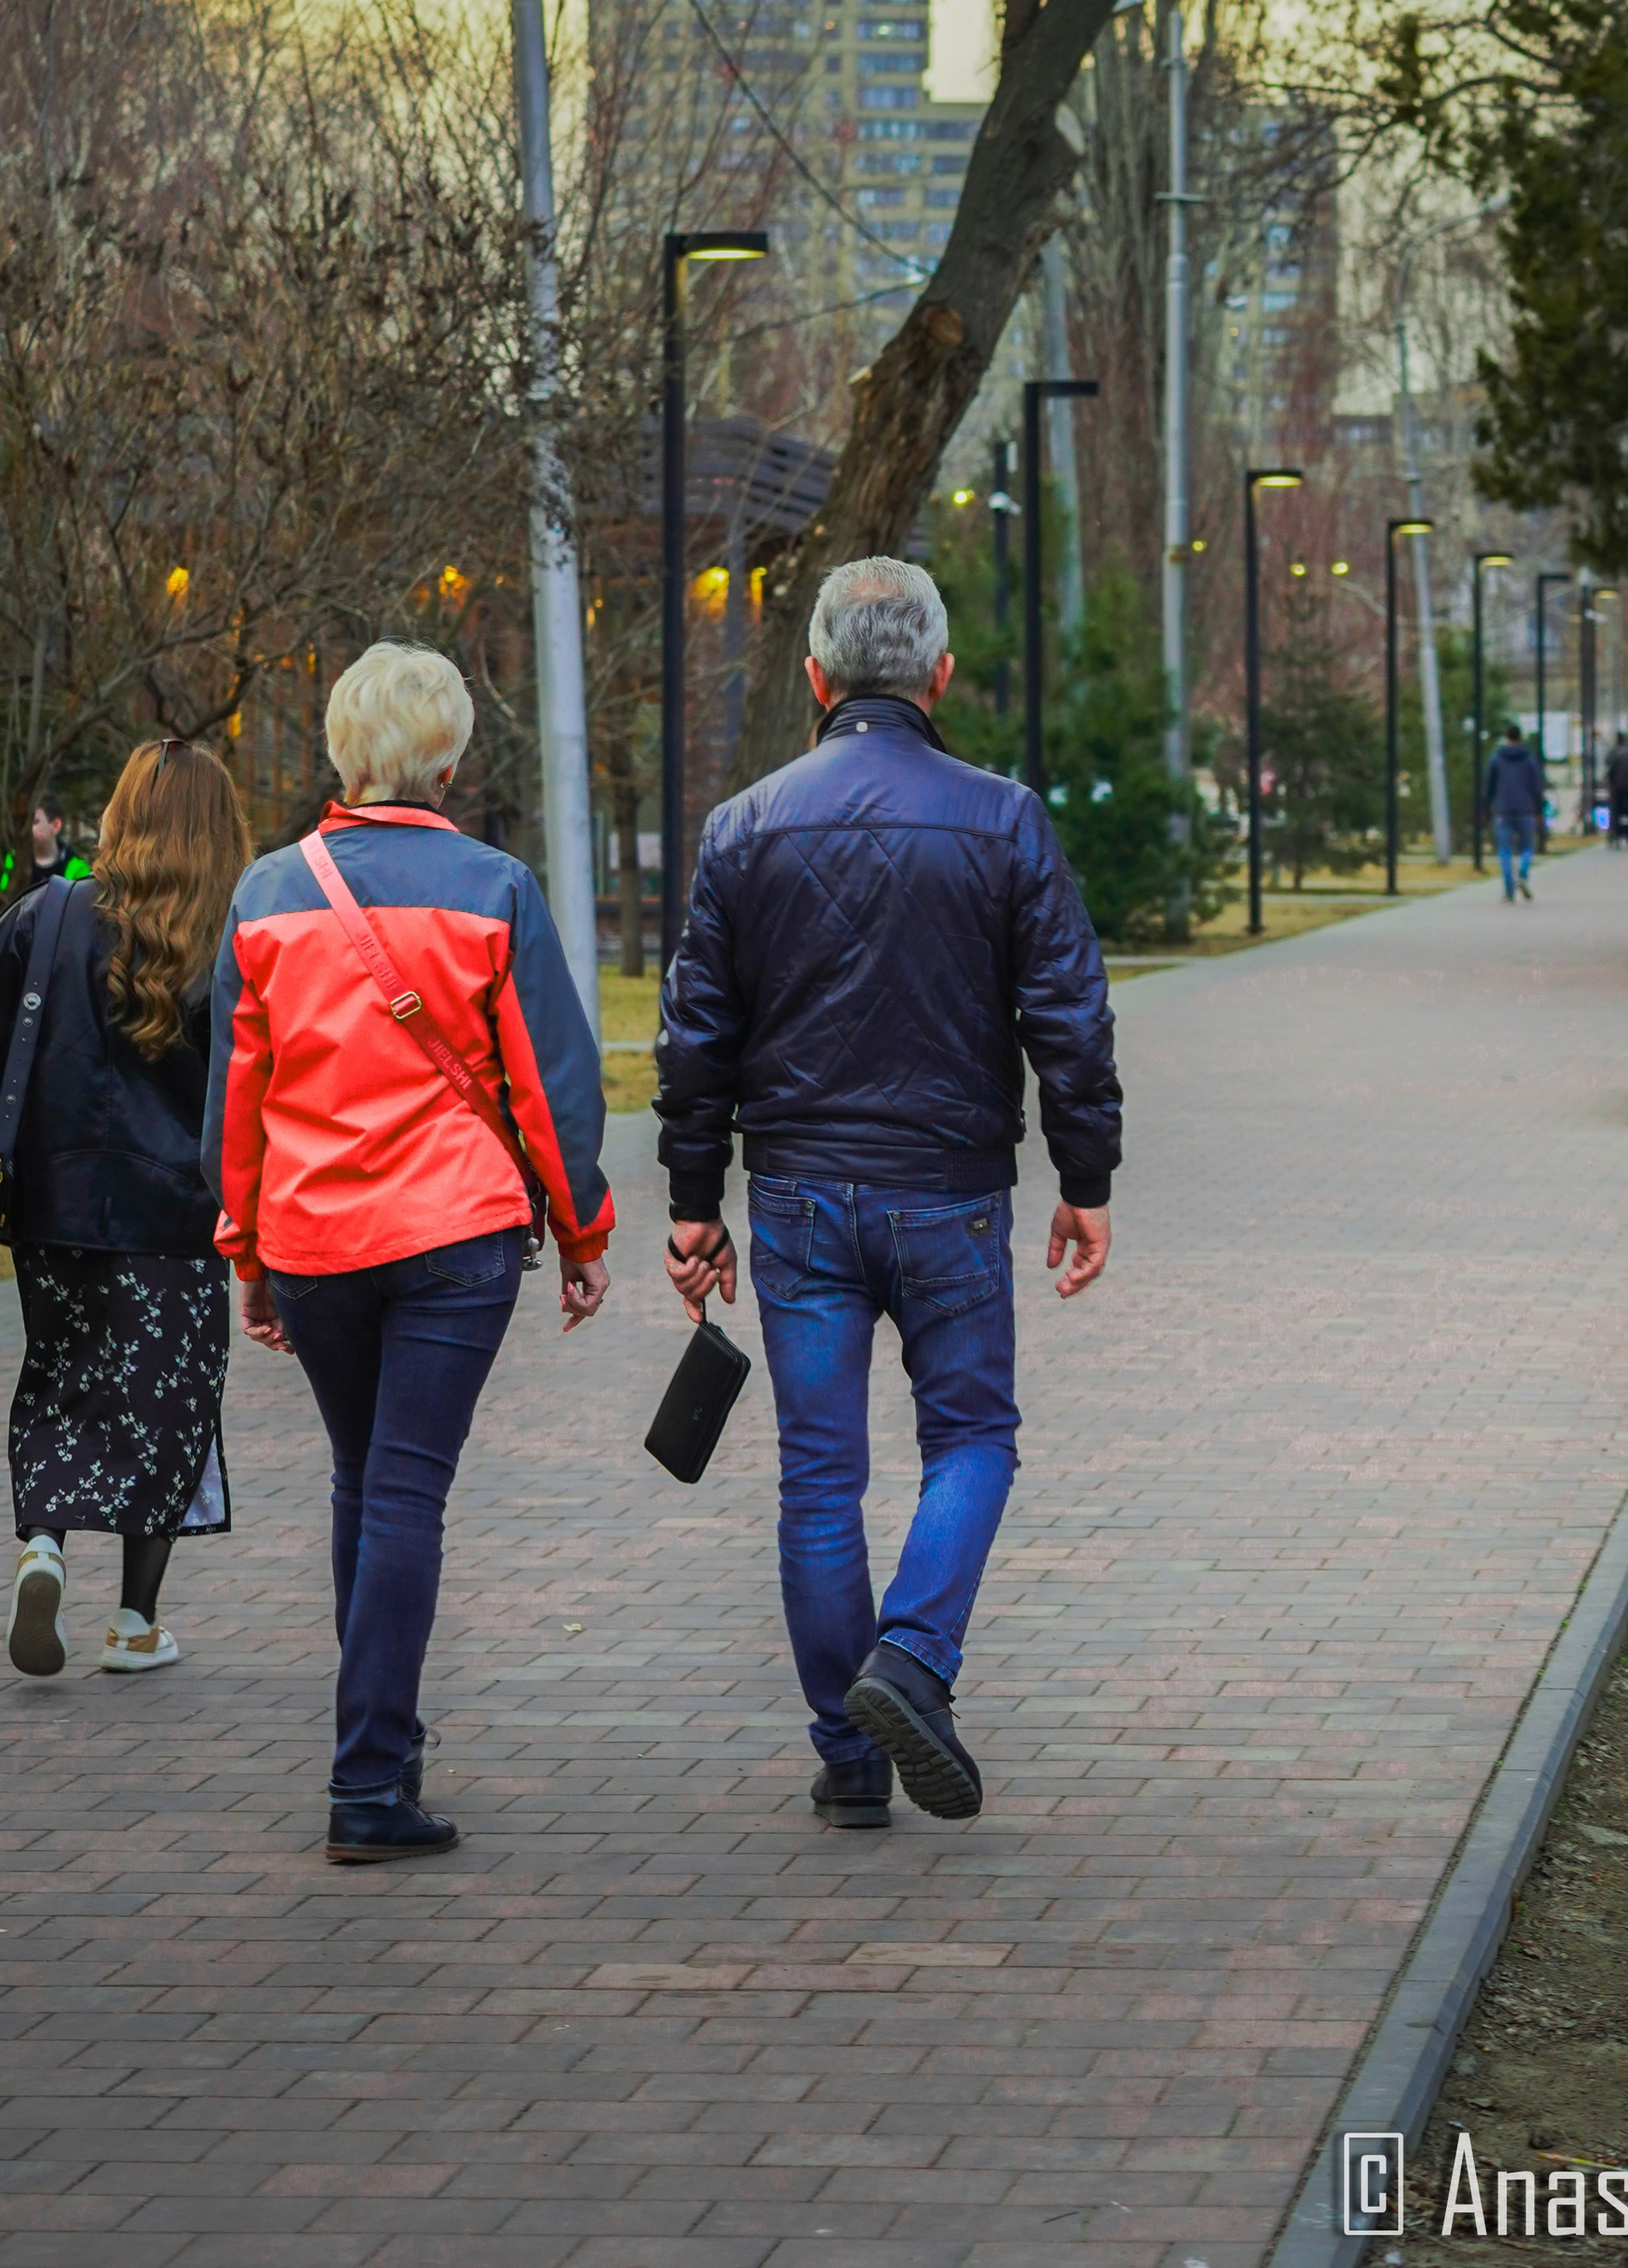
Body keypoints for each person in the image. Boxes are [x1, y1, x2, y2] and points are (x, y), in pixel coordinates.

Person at [657, 556, 1120, 1833]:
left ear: (813, 678)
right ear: (941, 676)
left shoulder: (744, 826)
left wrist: (696, 1198)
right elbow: (1069, 1015)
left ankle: (848, 1759)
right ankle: (911, 1660)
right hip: (951, 1192)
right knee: (971, 1439)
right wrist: (1086, 1178)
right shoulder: (1004, 817)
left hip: (799, 1193)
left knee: (819, 1478)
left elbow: (697, 1032)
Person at [205, 644, 614, 1865]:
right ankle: (371, 1775)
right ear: (446, 754)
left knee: (361, 1478)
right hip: (455, 1232)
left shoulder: (269, 894)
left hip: (317, 1234)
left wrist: (247, 1248)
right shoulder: (494, 887)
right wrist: (581, 1225)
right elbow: (551, 1082)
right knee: (405, 1487)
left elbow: (242, 1093)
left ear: (343, 746)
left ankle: (381, 1748)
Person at [4, 742, 254, 1682]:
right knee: (168, 1406)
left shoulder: (50, 912)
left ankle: (44, 1546)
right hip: (174, 1214)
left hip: (52, 1198)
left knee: (59, 1378)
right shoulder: (229, 935)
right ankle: (135, 1621)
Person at [1485, 721, 1545, 902]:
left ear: (1506, 738)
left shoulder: (1496, 758)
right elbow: (1537, 785)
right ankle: (1523, 874)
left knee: (1504, 850)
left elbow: (1490, 785)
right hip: (1525, 810)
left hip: (1503, 810)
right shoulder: (1529, 760)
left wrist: (1487, 805)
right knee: (1527, 847)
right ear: (1520, 738)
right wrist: (1538, 807)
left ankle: (1509, 889)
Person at [0, 795, 93, 906]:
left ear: (56, 825)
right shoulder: (12, 861)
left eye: (35, 822)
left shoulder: (76, 867)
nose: (28, 828)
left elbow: (81, 905)